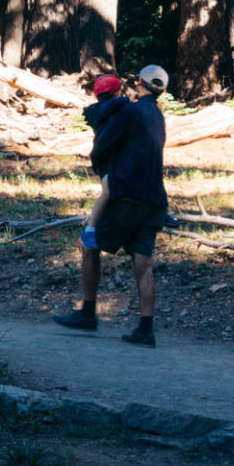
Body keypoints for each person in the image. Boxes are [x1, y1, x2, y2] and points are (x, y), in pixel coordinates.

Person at [53, 64, 169, 347]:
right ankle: (145, 329)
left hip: (126, 196)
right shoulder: (158, 115)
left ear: (139, 82)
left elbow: (102, 147)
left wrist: (104, 166)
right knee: (143, 260)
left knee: (90, 243)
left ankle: (89, 313)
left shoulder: (130, 112)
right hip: (154, 198)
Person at [79, 73, 129, 249]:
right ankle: (90, 229)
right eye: (119, 90)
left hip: (109, 156)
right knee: (107, 191)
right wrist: (127, 100)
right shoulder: (106, 109)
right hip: (104, 157)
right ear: (114, 93)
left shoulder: (99, 109)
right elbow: (117, 104)